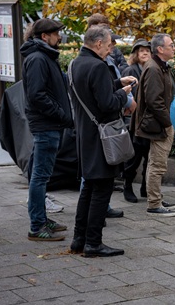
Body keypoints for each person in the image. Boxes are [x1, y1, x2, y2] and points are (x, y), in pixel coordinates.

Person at [69, 26, 134, 257]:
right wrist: (123, 94)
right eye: (108, 46)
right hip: (101, 137)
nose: (110, 51)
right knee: (101, 189)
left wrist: (116, 83)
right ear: (98, 44)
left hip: (86, 135)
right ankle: (93, 243)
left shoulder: (76, 63)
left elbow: (91, 93)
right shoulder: (97, 66)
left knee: (88, 188)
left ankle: (79, 239)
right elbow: (106, 104)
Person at [21, 18, 73, 241]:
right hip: (46, 125)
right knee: (40, 177)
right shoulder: (38, 58)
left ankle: (41, 218)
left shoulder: (44, 56)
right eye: (56, 33)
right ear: (45, 36)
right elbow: (37, 95)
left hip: (49, 124)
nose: (59, 37)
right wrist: (61, 114)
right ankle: (37, 225)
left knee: (41, 176)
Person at [133, 34, 175, 217]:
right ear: (160, 49)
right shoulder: (153, 68)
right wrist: (169, 122)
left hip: (160, 122)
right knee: (157, 164)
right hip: (158, 124)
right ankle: (154, 203)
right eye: (171, 45)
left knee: (157, 163)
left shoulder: (159, 66)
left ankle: (156, 197)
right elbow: (154, 101)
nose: (174, 48)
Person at [121, 38, 151, 203]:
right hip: (133, 121)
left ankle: (146, 188)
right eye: (141, 50)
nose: (145, 52)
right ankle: (128, 186)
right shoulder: (130, 71)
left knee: (149, 157)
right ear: (135, 54)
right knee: (133, 157)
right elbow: (127, 96)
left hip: (148, 121)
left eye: (147, 50)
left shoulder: (151, 69)